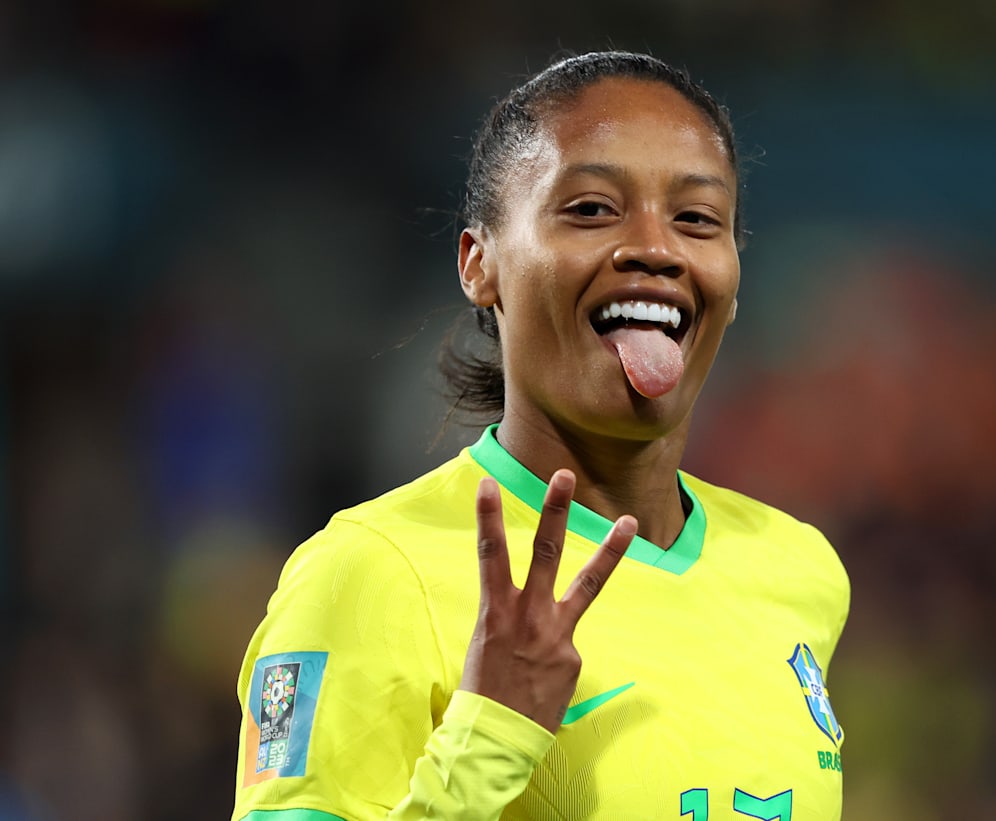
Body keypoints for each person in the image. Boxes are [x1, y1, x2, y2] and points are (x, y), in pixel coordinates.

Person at [231, 51, 850, 821]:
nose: (656, 248)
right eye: (591, 209)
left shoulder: (796, 570)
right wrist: (487, 739)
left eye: (696, 218)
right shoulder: (368, 573)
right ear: (479, 264)